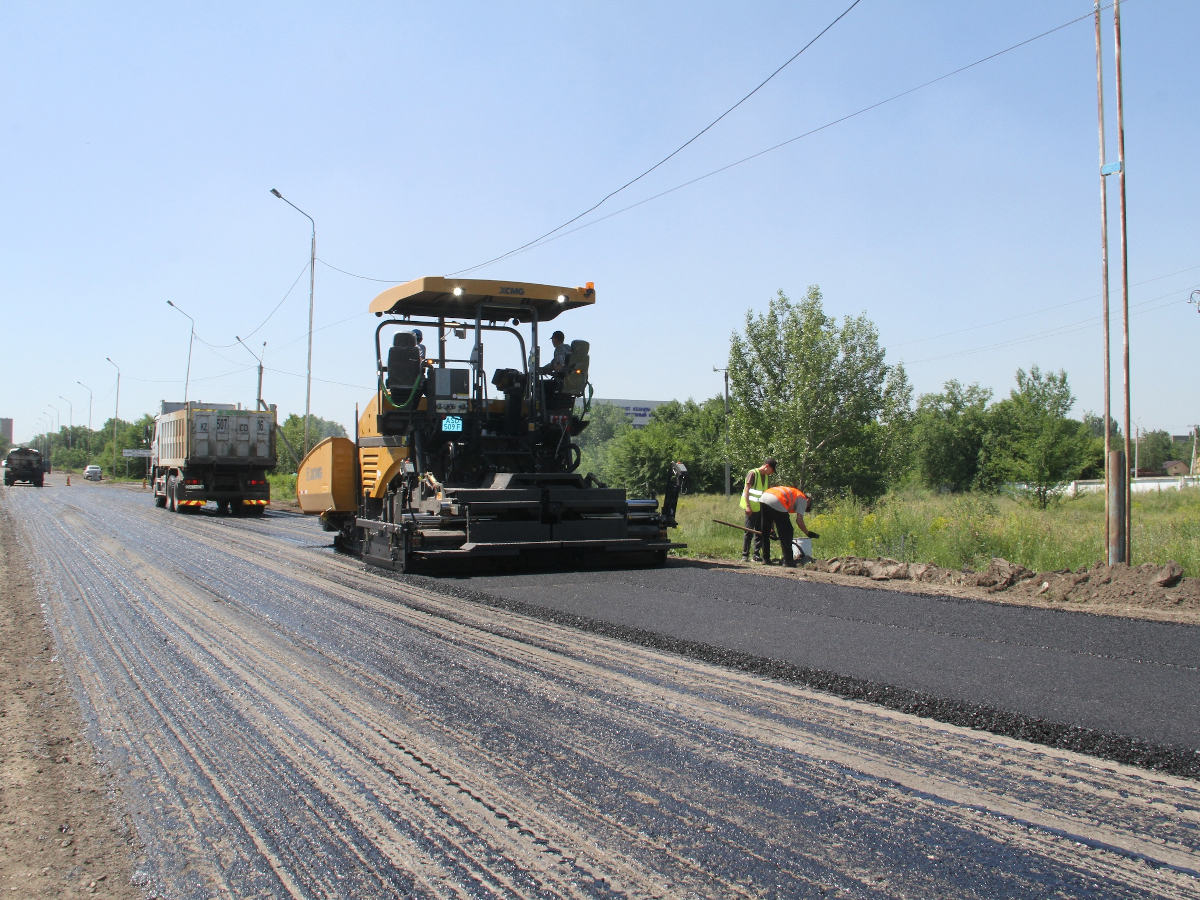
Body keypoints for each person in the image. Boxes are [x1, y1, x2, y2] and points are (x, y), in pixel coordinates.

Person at [755, 484, 817, 568]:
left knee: (765, 531)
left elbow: (772, 516)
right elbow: (799, 520)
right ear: (808, 500)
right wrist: (807, 533)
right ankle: (788, 561)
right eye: (808, 506)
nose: (805, 507)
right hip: (777, 499)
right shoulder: (803, 498)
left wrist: (772, 530)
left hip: (764, 496)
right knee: (787, 531)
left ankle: (766, 559)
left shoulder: (794, 494)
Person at [739, 457, 776, 562]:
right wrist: (747, 506)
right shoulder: (752, 473)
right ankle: (745, 555)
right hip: (751, 507)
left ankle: (756, 555)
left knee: (760, 532)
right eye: (771, 471)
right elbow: (747, 490)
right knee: (749, 531)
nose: (771, 473)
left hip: (761, 508)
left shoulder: (766, 477)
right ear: (767, 466)